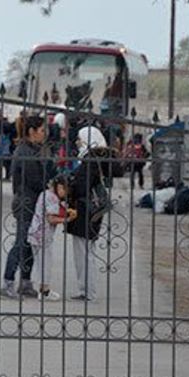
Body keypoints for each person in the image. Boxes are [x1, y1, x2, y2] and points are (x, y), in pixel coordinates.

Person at [1, 115, 54, 299]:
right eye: (41, 130)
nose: (44, 133)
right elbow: (35, 180)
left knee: (30, 244)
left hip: (33, 202)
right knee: (21, 243)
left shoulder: (34, 149)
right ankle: (8, 282)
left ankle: (25, 282)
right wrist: (51, 186)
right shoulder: (24, 151)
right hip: (26, 203)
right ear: (32, 131)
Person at [67, 126, 121, 302]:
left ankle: (88, 291)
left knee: (83, 254)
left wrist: (70, 186)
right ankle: (86, 290)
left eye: (80, 139)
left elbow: (82, 187)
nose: (77, 143)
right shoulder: (100, 159)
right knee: (87, 251)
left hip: (84, 212)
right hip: (92, 212)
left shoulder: (90, 161)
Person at [27, 175, 77, 301]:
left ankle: (42, 289)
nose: (65, 193)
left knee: (40, 263)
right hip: (43, 235)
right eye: (65, 190)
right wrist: (67, 219)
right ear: (59, 187)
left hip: (35, 233)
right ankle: (44, 292)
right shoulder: (52, 198)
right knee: (46, 263)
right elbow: (51, 218)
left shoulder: (44, 194)